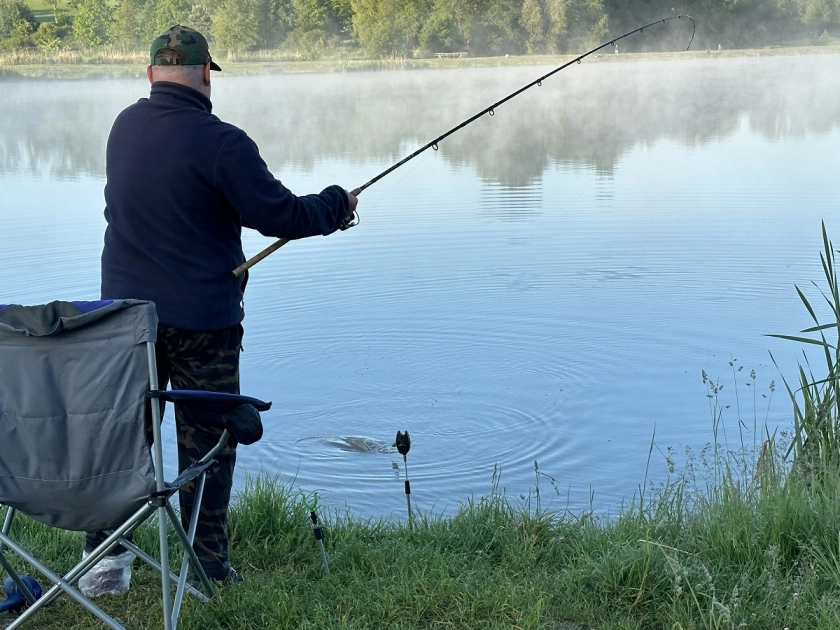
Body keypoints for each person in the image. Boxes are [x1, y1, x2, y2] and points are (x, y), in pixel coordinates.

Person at [91, 24, 357, 590]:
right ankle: (204, 565)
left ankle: (107, 559)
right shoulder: (222, 143)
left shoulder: (123, 128)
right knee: (208, 444)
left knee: (127, 438)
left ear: (150, 75)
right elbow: (282, 215)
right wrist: (337, 205)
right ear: (207, 74)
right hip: (202, 325)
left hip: (124, 322)